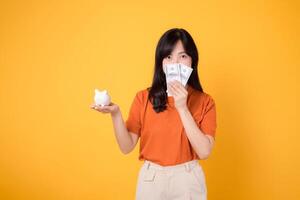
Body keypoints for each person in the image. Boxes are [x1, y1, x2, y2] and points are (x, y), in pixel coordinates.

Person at [90, 28, 217, 200]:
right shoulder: (143, 98)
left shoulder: (205, 101)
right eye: (169, 57)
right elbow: (126, 147)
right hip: (152, 180)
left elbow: (204, 152)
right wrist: (116, 114)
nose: (175, 63)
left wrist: (182, 108)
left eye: (183, 56)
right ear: (161, 63)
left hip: (188, 180)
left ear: (192, 61)